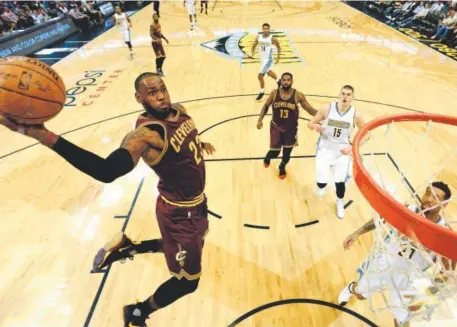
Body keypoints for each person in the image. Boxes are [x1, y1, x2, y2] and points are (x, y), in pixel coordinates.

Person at [0, 73, 216, 327]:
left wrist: (199, 143)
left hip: (196, 204)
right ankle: (137, 312)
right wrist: (44, 137)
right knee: (187, 282)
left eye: (163, 89)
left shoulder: (179, 111)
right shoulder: (144, 136)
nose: (161, 96)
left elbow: (183, 143)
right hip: (179, 214)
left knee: (192, 241)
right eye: (153, 93)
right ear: (139, 98)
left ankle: (126, 247)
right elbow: (105, 170)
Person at [337, 181, 455, 327]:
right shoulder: (407, 210)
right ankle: (351, 288)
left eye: (436, 197)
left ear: (444, 205)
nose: (429, 199)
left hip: (409, 277)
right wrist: (357, 233)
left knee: (402, 319)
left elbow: (445, 273)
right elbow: (382, 218)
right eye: (428, 193)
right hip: (384, 262)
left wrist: (426, 295)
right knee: (360, 295)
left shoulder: (445, 235)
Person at [308, 85, 366, 219]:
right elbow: (310, 123)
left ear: (352, 98)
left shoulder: (356, 115)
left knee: (339, 182)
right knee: (321, 182)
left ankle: (340, 202)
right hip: (325, 149)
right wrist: (314, 126)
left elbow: (367, 134)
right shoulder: (327, 109)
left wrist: (353, 147)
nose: (345, 96)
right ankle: (321, 185)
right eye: (343, 93)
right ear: (339, 95)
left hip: (342, 152)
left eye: (348, 94)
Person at [257, 72, 317, 179]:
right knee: (275, 152)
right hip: (276, 127)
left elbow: (310, 110)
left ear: (292, 81)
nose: (286, 82)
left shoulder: (298, 95)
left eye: (288, 80)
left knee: (286, 155)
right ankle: (267, 157)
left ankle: (282, 166)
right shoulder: (274, 93)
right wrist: (260, 119)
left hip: (290, 130)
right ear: (281, 81)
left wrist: (326, 115)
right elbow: (265, 106)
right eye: (284, 80)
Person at [251, 23, 281, 101]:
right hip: (262, 59)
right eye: (264, 28)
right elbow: (254, 44)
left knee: (260, 76)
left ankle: (262, 92)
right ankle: (279, 81)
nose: (265, 30)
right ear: (262, 29)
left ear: (269, 29)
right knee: (269, 73)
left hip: (268, 60)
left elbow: (278, 47)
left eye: (267, 28)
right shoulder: (259, 37)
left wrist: (278, 57)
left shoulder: (272, 38)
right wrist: (252, 52)